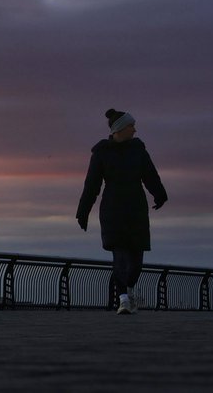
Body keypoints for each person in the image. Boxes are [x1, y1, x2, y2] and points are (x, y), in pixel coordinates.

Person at [76, 109, 168, 315]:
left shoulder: (139, 150)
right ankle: (124, 299)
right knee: (120, 256)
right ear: (120, 129)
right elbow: (92, 185)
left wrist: (160, 195)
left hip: (136, 209)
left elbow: (150, 175)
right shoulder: (101, 153)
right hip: (112, 210)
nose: (135, 129)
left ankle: (130, 291)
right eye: (131, 126)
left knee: (136, 260)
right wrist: (83, 212)